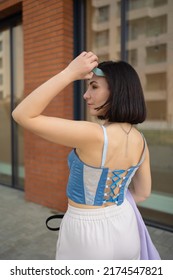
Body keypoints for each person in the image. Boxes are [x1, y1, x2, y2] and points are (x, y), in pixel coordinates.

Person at [12, 51, 160, 260]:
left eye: (94, 86)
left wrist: (69, 73)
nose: (86, 95)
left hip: (86, 234)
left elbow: (22, 114)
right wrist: (111, 205)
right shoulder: (141, 141)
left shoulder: (93, 135)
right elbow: (143, 193)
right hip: (125, 226)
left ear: (116, 92)